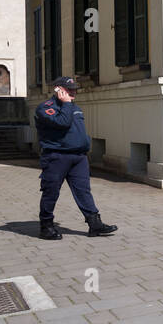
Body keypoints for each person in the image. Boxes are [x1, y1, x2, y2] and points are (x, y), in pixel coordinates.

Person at [34, 77, 116, 240]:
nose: (73, 92)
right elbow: (62, 123)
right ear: (58, 90)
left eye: (74, 89)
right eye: (69, 89)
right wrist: (65, 103)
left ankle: (95, 224)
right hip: (56, 157)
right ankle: (46, 227)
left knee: (83, 191)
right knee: (51, 192)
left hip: (78, 158)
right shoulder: (45, 108)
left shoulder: (74, 107)